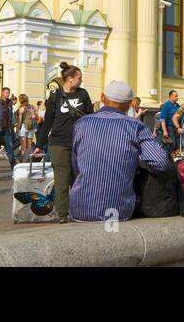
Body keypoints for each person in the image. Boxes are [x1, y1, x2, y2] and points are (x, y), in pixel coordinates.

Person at [68, 80, 169, 222]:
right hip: (118, 210)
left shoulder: (81, 124)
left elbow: (75, 166)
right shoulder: (136, 126)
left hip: (80, 208)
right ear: (129, 104)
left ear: (102, 98)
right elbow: (161, 163)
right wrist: (138, 161)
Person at [36, 62, 93, 223]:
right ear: (70, 79)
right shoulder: (55, 96)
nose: (81, 80)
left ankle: (79, 210)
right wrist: (39, 145)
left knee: (79, 178)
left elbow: (90, 117)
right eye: (79, 78)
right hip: (58, 143)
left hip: (79, 143)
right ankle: (62, 214)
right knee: (62, 179)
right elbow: (47, 122)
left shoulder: (83, 95)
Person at [156, 90, 181, 155]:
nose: (177, 97)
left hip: (176, 128)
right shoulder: (166, 106)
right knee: (171, 146)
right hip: (169, 128)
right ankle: (168, 161)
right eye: (176, 96)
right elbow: (162, 119)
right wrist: (165, 131)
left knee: (177, 146)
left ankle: (175, 161)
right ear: (171, 96)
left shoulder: (177, 105)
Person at [15, 94, 37, 161]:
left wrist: (17, 129)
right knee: (29, 145)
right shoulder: (32, 107)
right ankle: (29, 160)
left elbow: (20, 120)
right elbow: (34, 117)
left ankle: (24, 160)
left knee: (23, 145)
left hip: (23, 127)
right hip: (31, 127)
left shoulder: (21, 108)